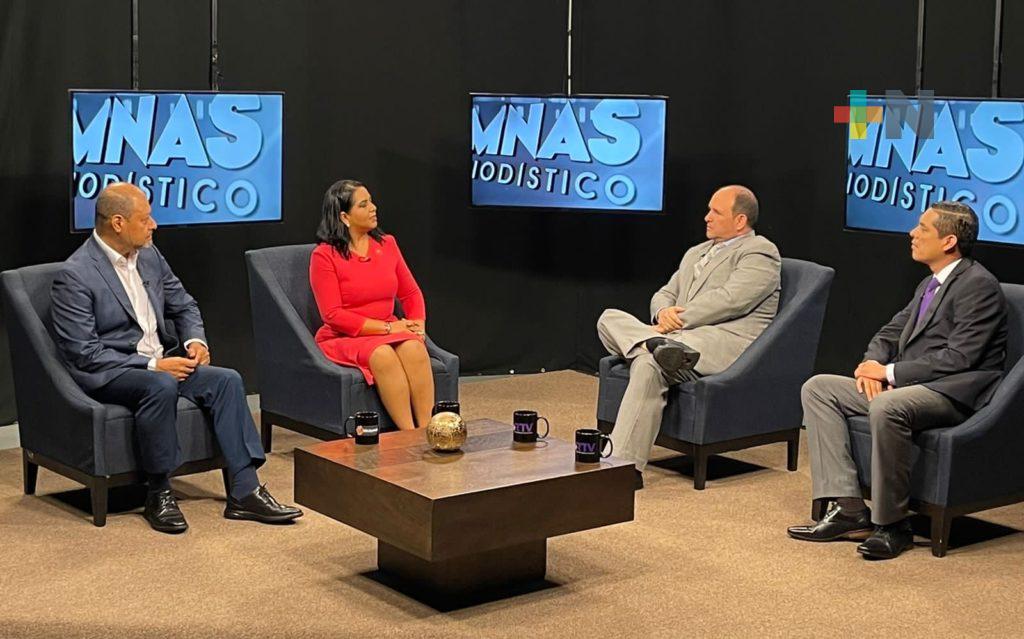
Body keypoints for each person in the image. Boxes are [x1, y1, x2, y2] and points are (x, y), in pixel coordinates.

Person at [50, 182, 302, 534]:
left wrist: (194, 341)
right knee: (159, 386)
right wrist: (154, 366)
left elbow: (184, 305)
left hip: (163, 362)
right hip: (112, 371)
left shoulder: (150, 256)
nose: (154, 225)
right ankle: (159, 492)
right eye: (145, 219)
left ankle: (245, 491)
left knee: (227, 380)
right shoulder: (75, 274)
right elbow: (84, 353)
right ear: (118, 223)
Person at [788, 202, 1007, 560]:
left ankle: (893, 525)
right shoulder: (929, 283)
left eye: (923, 228)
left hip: (950, 393)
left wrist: (890, 374)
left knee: (888, 405)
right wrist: (871, 363)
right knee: (819, 388)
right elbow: (890, 332)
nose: (912, 233)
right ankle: (849, 510)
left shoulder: (978, 286)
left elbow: (960, 358)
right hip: (910, 385)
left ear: (949, 241)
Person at [596, 185, 781, 488]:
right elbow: (665, 293)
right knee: (609, 319)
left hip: (717, 343)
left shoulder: (760, 252)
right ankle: (652, 347)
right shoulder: (696, 252)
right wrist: (661, 314)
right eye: (708, 210)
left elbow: (730, 300)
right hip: (676, 339)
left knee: (648, 362)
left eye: (716, 212)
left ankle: (621, 467)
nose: (707, 217)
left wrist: (676, 320)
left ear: (740, 221)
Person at [309, 179, 435, 430]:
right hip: (345, 336)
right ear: (344, 217)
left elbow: (410, 293)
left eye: (371, 201)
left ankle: (428, 429)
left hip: (388, 328)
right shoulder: (324, 256)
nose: (373, 208)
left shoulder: (387, 244)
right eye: (364, 204)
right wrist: (389, 329)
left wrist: (417, 325)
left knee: (414, 347)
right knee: (383, 355)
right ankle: (408, 434)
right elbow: (332, 315)